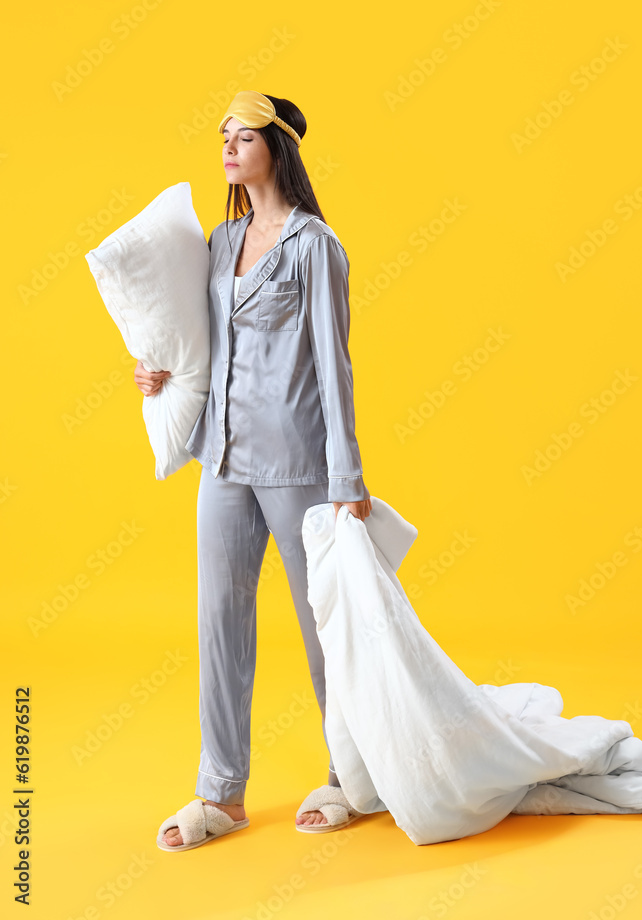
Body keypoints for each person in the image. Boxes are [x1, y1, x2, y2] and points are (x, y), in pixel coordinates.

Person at [134, 90, 372, 850]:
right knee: (218, 622)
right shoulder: (218, 239)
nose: (229, 148)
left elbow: (334, 368)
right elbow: (199, 345)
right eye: (224, 138)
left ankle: (350, 776)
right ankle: (221, 792)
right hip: (222, 461)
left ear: (279, 149)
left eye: (244, 137)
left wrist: (347, 479)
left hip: (299, 463)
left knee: (320, 625)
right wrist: (159, 375)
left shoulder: (314, 247)